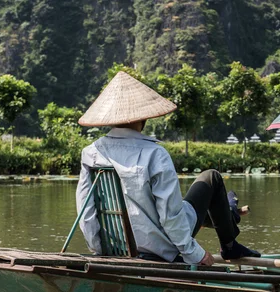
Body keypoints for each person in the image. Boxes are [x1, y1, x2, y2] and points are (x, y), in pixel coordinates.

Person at [75, 71, 260, 266]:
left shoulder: (91, 153)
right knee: (211, 177)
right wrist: (194, 254)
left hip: (114, 248)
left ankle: (228, 213)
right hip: (159, 249)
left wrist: (100, 250)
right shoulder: (155, 154)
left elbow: (86, 213)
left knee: (196, 207)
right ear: (144, 118)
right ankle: (230, 241)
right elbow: (170, 217)